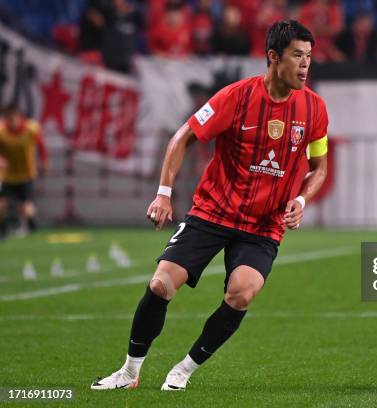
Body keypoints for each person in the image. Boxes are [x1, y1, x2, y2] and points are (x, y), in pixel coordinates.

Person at [91, 19, 329, 391]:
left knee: (242, 291)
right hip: (213, 211)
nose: (304, 65)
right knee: (161, 286)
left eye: (309, 57)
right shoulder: (235, 97)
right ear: (272, 57)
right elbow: (183, 136)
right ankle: (129, 371)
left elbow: (319, 167)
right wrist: (163, 193)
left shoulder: (314, 109)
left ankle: (183, 370)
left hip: (263, 224)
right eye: (297, 55)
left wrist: (301, 197)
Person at [0, 103, 48, 237]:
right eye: (7, 118)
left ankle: (32, 226)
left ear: (18, 117)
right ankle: (3, 230)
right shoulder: (1, 131)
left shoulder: (31, 129)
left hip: (26, 174)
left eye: (12, 118)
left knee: (26, 207)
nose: (10, 121)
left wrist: (44, 162)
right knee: (1, 205)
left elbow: (42, 148)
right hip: (7, 176)